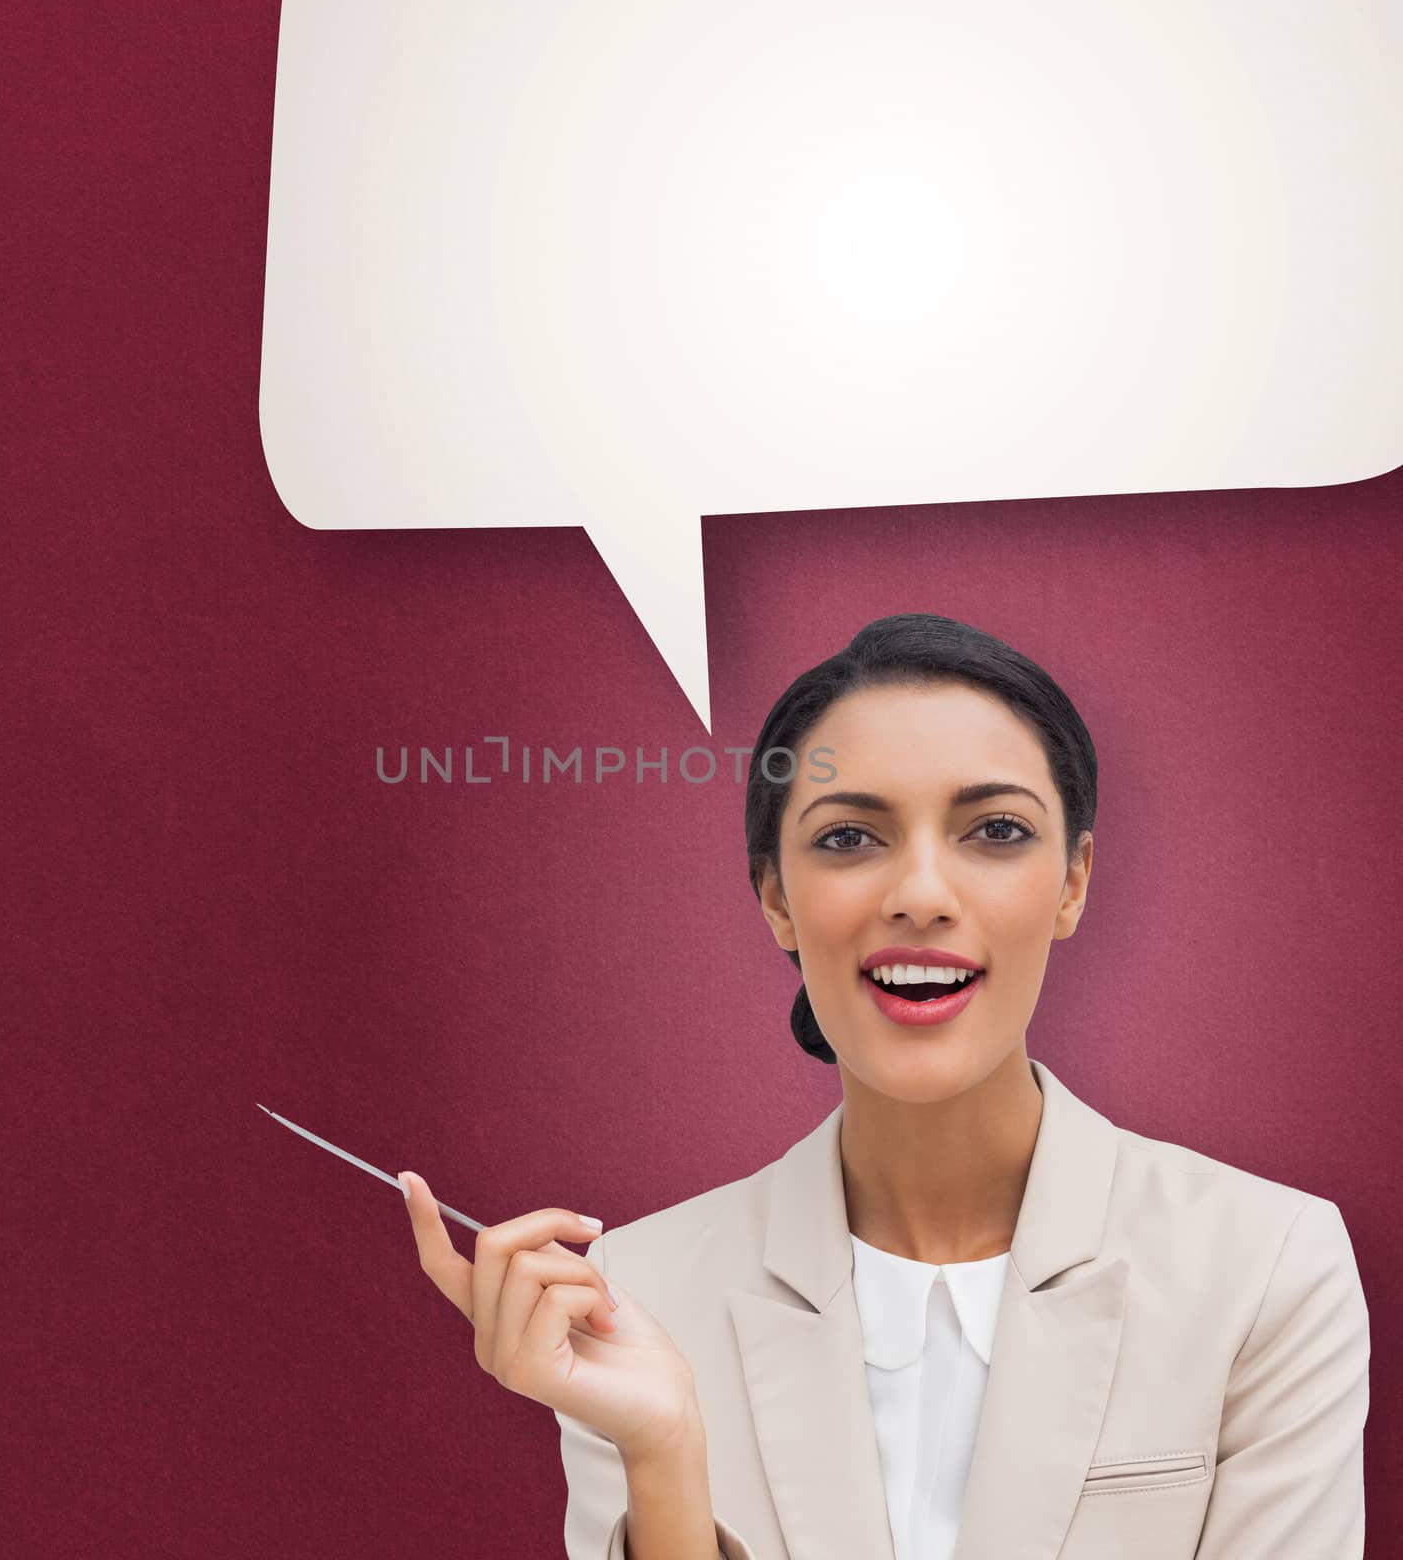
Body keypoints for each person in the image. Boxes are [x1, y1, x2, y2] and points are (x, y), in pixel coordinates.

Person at [400, 612, 1370, 1560]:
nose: (920, 892)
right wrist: (662, 1459)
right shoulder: (635, 1296)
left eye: (993, 830)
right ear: (775, 895)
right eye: (848, 839)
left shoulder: (1267, 1269)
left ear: (1072, 880)